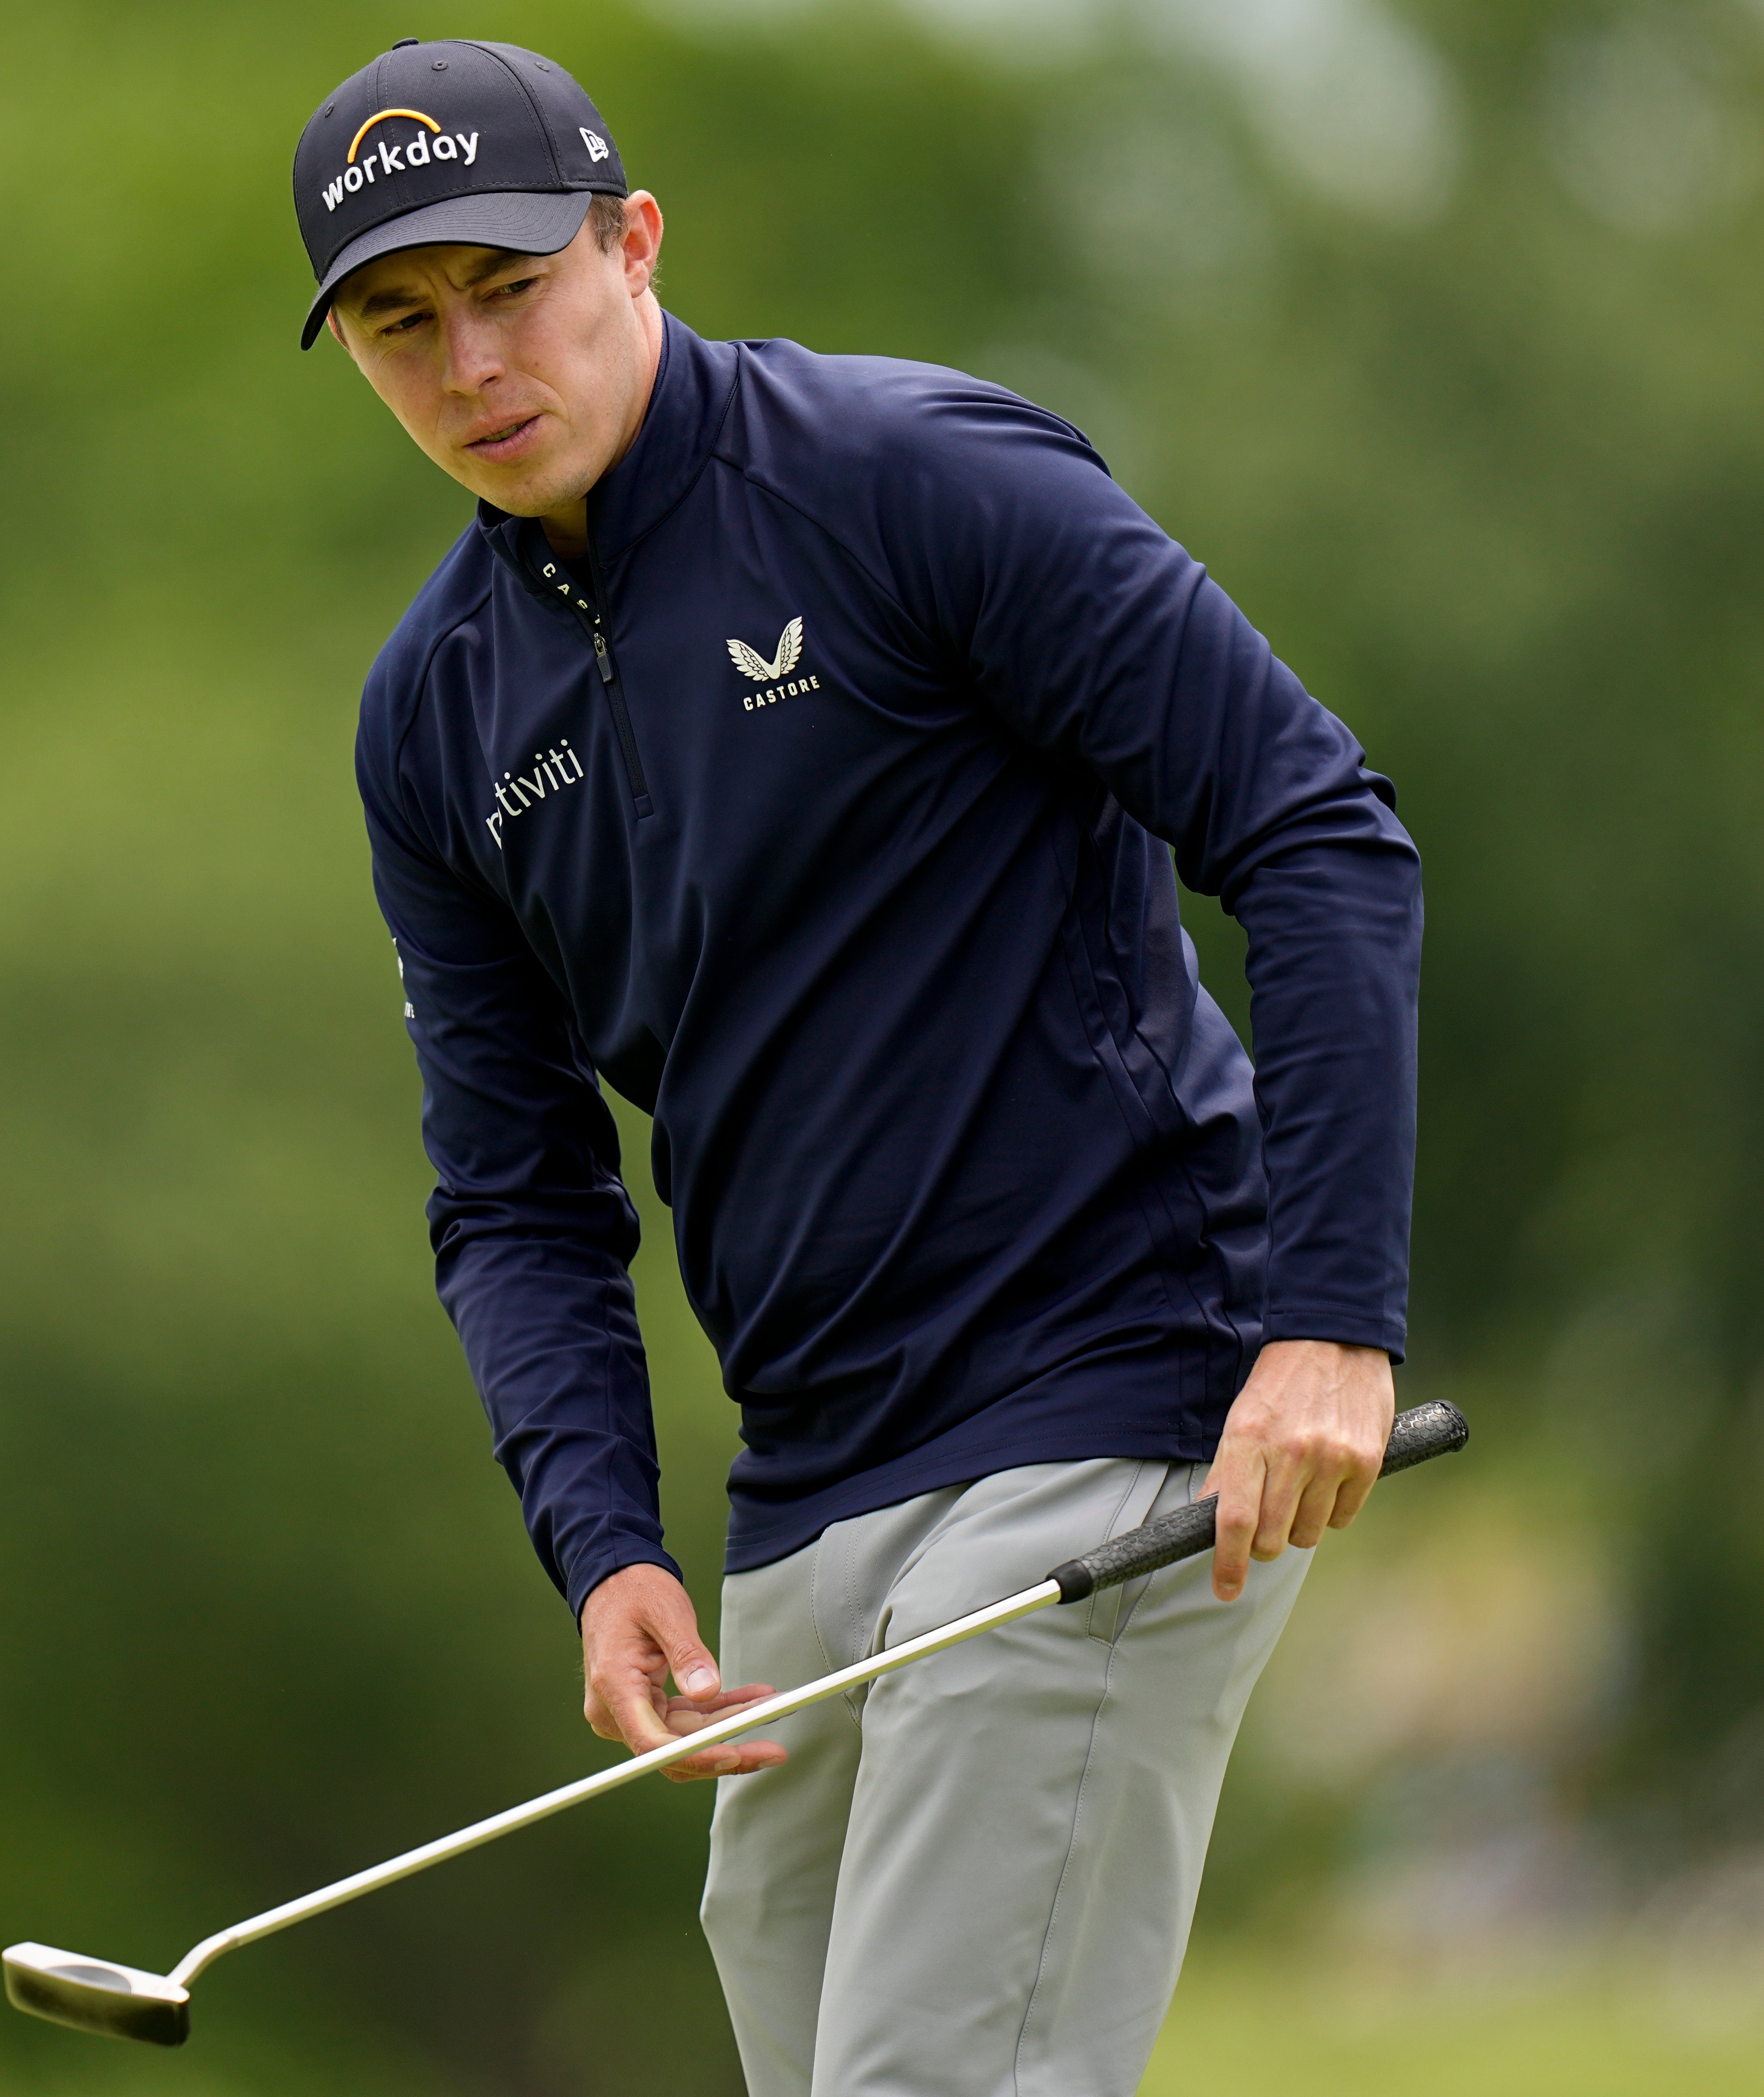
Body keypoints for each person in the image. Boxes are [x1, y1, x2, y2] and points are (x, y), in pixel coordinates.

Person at [293, 37, 1419, 2097]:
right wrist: (605, 1541)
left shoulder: (910, 482)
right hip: (813, 1488)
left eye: (512, 286)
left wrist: (1332, 1323)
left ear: (634, 245)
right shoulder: (437, 720)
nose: (471, 364)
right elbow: (518, 1191)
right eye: (400, 323)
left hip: (1114, 1385)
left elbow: (1313, 827)